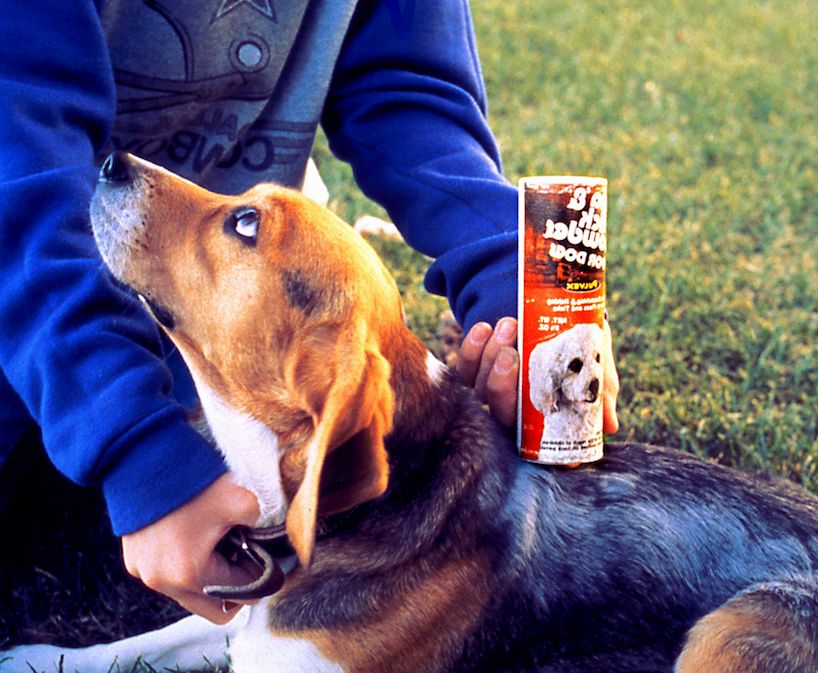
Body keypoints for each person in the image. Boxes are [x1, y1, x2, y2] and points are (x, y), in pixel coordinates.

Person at [0, 0, 618, 624]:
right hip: (27, 280)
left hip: (203, 309)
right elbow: (16, 150)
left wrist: (520, 271)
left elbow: (410, 90)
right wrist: (132, 442)